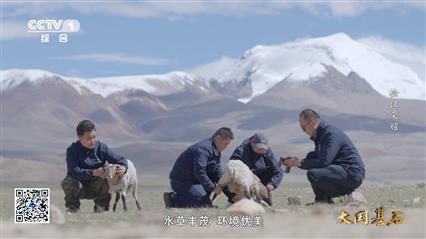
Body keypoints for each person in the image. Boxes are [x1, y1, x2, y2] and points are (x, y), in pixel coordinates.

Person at [283, 109, 365, 205]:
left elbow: (324, 162)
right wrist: (297, 161)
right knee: (311, 156)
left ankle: (344, 194)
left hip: (352, 173)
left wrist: (299, 163)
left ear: (313, 122)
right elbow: (318, 157)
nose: (303, 131)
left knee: (313, 174)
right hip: (340, 170)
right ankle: (322, 200)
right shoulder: (321, 135)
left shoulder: (330, 134)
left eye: (303, 127)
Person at [60, 120, 128, 213]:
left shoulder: (101, 148)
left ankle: (102, 208)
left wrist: (123, 168)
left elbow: (120, 160)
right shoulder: (72, 150)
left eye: (94, 137)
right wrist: (93, 173)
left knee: (108, 176)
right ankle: (73, 209)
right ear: (80, 138)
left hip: (98, 187)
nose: (92, 141)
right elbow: (73, 171)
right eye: (88, 138)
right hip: (80, 188)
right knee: (68, 182)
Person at [163, 127, 234, 208]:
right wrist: (213, 187)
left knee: (204, 201)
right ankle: (173, 199)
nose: (226, 147)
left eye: (227, 145)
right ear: (218, 138)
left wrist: (228, 188)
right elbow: (199, 171)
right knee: (202, 202)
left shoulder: (216, 150)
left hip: (196, 181)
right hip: (182, 181)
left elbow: (217, 171)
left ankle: (203, 200)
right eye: (225, 144)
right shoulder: (203, 149)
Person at [225, 133, 283, 202]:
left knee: (268, 203)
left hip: (260, 180)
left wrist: (272, 184)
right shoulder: (241, 151)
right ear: (252, 143)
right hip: (244, 180)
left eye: (263, 148)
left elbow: (278, 171)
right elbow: (231, 168)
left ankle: (262, 195)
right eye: (258, 147)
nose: (261, 150)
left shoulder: (266, 151)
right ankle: (237, 198)